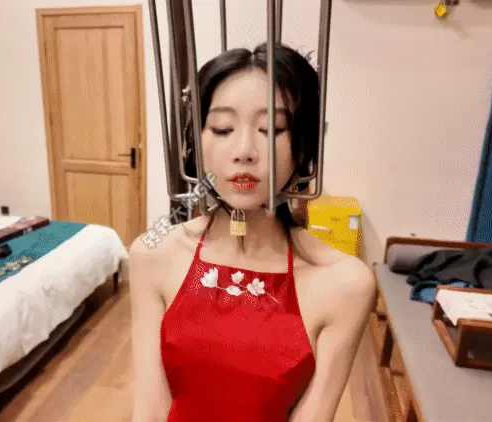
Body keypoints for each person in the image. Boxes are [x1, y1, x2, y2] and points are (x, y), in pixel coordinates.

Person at [129, 42, 376, 422]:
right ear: (197, 144)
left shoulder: (345, 284)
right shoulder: (153, 255)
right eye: (222, 128)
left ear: (303, 148)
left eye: (271, 129)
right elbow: (148, 409)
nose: (244, 150)